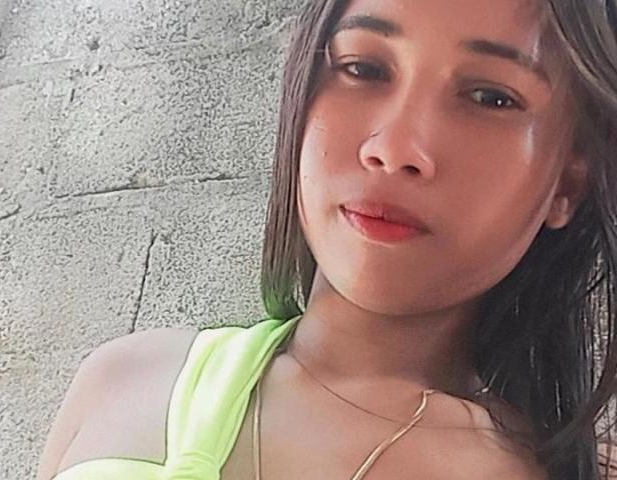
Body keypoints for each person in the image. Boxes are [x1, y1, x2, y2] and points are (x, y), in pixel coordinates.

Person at [36, 0, 617, 478]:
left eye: (491, 97)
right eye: (363, 69)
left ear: (569, 179)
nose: (394, 147)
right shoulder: (123, 379)